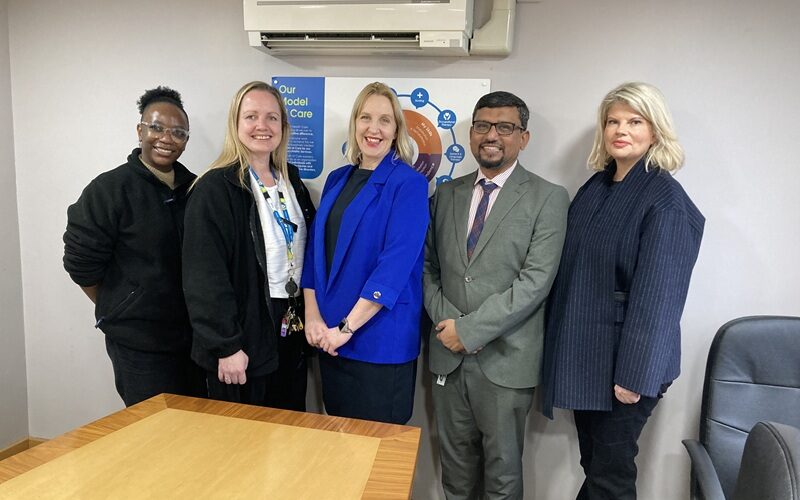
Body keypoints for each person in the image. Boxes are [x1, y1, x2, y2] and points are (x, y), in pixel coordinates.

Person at [541, 82, 705, 500]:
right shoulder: (597, 188)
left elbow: (659, 298)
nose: (621, 130)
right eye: (613, 121)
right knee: (596, 468)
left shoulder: (664, 200)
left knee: (610, 477)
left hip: (628, 365)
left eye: (635, 121)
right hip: (588, 356)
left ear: (655, 130)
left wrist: (633, 375)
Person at [424, 91, 569, 499]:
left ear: (523, 138)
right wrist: (448, 326)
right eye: (483, 126)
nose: (492, 135)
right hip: (446, 357)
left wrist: (469, 331)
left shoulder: (548, 197)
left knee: (503, 478)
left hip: (506, 362)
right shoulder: (446, 195)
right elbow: (427, 268)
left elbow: (535, 282)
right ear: (471, 134)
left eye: (505, 127)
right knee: (455, 474)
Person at [63, 86, 203, 407]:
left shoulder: (197, 188)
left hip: (193, 341)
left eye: (178, 132)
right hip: (139, 345)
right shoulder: (109, 190)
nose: (167, 138)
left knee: (196, 431)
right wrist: (122, 304)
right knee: (152, 434)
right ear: (140, 130)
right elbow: (80, 263)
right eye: (156, 127)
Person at [301, 82, 429, 425]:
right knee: (340, 452)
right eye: (366, 117)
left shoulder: (409, 184)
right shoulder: (337, 179)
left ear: (396, 130)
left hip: (378, 345)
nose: (374, 128)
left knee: (377, 459)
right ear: (354, 123)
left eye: (385, 120)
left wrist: (346, 326)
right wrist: (313, 317)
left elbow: (395, 267)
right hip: (330, 341)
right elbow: (315, 253)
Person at [182, 81, 315, 409]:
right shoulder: (214, 190)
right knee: (242, 445)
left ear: (283, 127)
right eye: (251, 116)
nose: (262, 126)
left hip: (290, 327)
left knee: (287, 432)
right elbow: (204, 278)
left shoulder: (293, 184)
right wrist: (225, 346)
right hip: (242, 334)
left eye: (272, 118)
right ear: (235, 124)